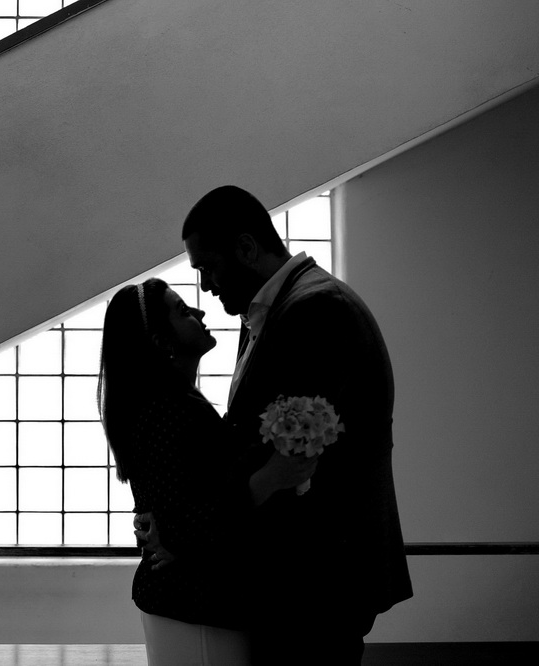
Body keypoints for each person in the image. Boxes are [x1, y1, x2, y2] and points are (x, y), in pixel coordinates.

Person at [141, 185, 413, 665]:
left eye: (208, 267)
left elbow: (275, 455)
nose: (205, 287)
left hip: (315, 572)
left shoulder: (317, 309)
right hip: (299, 573)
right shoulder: (280, 309)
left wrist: (186, 529)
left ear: (246, 248)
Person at [97, 277, 315, 665]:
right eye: (182, 310)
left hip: (195, 603)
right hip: (192, 604)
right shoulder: (166, 410)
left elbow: (181, 506)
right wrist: (270, 478)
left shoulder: (176, 402)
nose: (199, 312)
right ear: (162, 342)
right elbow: (184, 518)